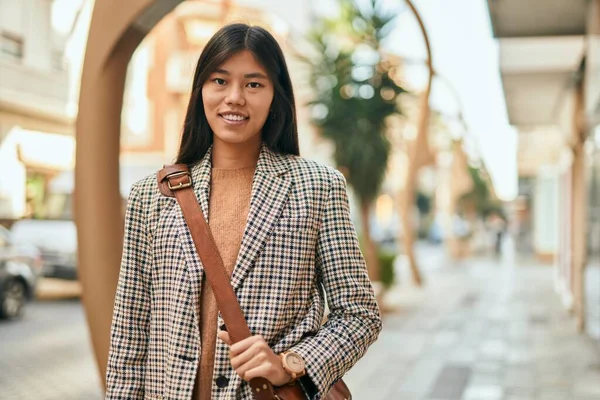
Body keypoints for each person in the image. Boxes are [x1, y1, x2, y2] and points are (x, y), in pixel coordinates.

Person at [105, 23, 382, 400]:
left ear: (275, 97)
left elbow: (359, 313)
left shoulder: (317, 187)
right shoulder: (152, 196)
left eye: (253, 84)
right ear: (200, 89)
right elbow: (130, 330)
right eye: (220, 81)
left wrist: (291, 363)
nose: (234, 97)